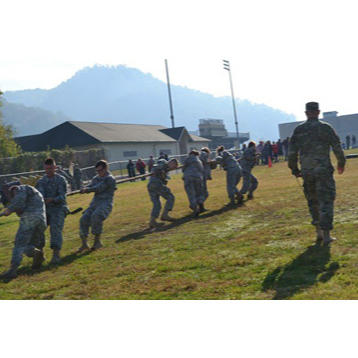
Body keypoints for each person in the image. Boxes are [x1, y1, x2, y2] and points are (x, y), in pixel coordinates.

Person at [288, 102, 346, 245]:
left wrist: (294, 169)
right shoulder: (326, 128)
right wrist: (341, 162)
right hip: (323, 170)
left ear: (306, 112)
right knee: (326, 200)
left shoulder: (299, 130)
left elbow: (292, 153)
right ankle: (326, 235)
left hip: (307, 171)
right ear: (318, 112)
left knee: (313, 201)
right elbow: (337, 147)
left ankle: (318, 233)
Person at [0, 185, 46, 279]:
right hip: (41, 220)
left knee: (19, 244)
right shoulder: (32, 194)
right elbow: (21, 208)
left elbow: (19, 200)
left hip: (30, 218)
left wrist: (9, 209)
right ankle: (37, 254)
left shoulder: (21, 188)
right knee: (29, 244)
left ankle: (12, 270)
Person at [77, 160, 117, 252]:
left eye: (100, 170)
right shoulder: (96, 177)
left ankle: (97, 242)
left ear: (106, 168)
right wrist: (84, 188)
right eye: (97, 171)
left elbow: (99, 187)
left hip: (105, 203)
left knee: (96, 216)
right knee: (83, 219)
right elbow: (91, 185)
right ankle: (84, 244)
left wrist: (87, 190)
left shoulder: (110, 179)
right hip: (95, 203)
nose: (98, 173)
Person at [36, 158, 69, 264]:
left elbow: (62, 196)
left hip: (58, 208)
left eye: (51, 168)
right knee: (38, 228)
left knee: (55, 228)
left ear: (55, 167)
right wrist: (43, 200)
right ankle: (40, 254)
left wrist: (53, 199)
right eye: (46, 168)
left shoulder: (61, 179)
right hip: (45, 209)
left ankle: (56, 255)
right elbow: (39, 195)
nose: (49, 170)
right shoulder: (41, 181)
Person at [147, 158, 178, 228]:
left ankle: (152, 221)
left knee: (157, 204)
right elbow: (156, 167)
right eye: (174, 167)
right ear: (172, 163)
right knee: (170, 197)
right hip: (156, 183)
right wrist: (161, 171)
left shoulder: (166, 170)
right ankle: (165, 214)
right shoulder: (163, 162)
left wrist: (163, 174)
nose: (173, 169)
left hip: (151, 185)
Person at [182, 150, 205, 216]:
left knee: (191, 193)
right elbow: (201, 169)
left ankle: (195, 209)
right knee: (199, 193)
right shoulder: (199, 161)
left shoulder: (190, 158)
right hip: (198, 177)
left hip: (189, 177)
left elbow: (183, 167)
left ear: (191, 153)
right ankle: (200, 203)